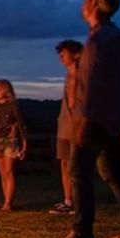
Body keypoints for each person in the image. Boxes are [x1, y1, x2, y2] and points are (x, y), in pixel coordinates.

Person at [46, 0, 120, 238]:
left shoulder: (99, 39)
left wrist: (82, 119)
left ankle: (82, 233)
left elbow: (91, 84)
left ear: (94, 2)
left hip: (95, 119)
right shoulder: (118, 37)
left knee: (79, 171)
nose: (82, 3)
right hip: (112, 118)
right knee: (113, 173)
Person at [51, 39, 84, 214]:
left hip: (77, 124)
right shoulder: (68, 76)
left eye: (63, 54)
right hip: (64, 124)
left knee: (76, 164)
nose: (61, 58)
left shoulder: (84, 75)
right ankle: (68, 200)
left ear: (76, 54)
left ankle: (80, 201)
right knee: (64, 162)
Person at [0, 79, 29, 211]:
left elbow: (21, 125)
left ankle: (8, 203)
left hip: (10, 141)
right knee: (2, 174)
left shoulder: (13, 106)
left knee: (8, 171)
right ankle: (5, 202)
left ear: (6, 91)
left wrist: (24, 144)